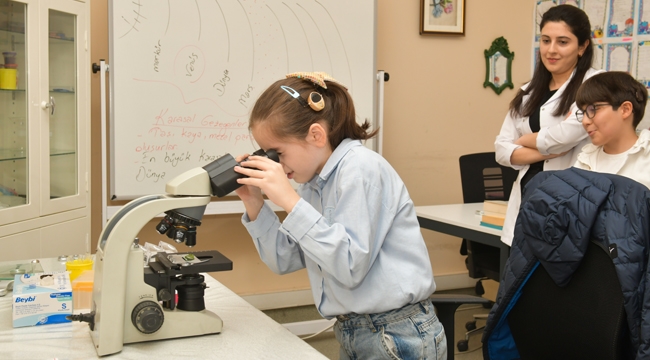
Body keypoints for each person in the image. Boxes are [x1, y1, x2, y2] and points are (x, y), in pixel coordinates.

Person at [233, 71, 447, 359]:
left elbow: (349, 266)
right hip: (356, 332)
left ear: (316, 135)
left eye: (278, 153)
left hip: (397, 333)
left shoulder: (360, 169)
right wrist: (255, 203)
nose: (277, 165)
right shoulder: (313, 183)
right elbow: (284, 259)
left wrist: (289, 200)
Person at [494, 5, 603, 246]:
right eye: (545, 40)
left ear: (582, 47)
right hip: (525, 199)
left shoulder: (595, 85)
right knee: (517, 278)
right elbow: (501, 151)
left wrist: (522, 141)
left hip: (568, 202)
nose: (551, 50)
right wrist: (542, 149)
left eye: (562, 42)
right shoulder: (529, 91)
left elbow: (562, 137)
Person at [573, 71, 650, 188]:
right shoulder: (585, 159)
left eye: (592, 109)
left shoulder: (646, 158)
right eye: (583, 112)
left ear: (625, 110)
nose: (585, 121)